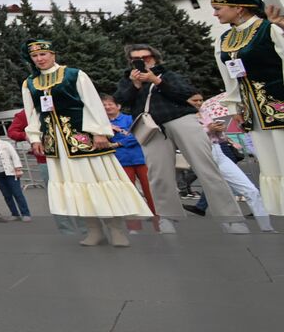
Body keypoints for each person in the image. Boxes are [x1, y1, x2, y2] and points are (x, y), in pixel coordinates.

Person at [23, 40, 150, 247]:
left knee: (99, 182)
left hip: (84, 138)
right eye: (35, 56)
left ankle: (116, 230)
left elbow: (92, 102)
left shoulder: (73, 74)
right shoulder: (29, 83)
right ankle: (94, 230)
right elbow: (32, 112)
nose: (40, 59)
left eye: (43, 54)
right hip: (57, 144)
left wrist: (100, 132)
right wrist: (35, 138)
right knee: (76, 187)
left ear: (53, 54)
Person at [113, 43, 248, 234]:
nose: (142, 62)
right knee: (159, 175)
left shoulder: (167, 74)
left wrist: (156, 81)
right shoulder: (128, 80)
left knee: (206, 168)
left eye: (147, 58)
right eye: (136, 60)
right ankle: (168, 217)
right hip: (152, 128)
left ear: (155, 58)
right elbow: (122, 100)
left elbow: (187, 94)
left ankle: (231, 218)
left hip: (182, 120)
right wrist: (135, 85)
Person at [211, 0, 284, 216]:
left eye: (218, 8)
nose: (215, 14)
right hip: (253, 110)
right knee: (270, 160)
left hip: (278, 103)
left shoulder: (268, 29)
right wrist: (235, 106)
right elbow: (229, 75)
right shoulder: (223, 39)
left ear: (239, 7)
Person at [185, 92, 274, 231]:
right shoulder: (182, 117)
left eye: (201, 100)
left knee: (250, 190)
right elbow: (188, 138)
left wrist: (220, 131)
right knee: (218, 194)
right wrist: (208, 129)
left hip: (217, 151)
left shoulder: (205, 112)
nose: (198, 103)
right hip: (201, 155)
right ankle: (229, 226)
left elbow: (220, 139)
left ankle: (266, 226)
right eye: (194, 100)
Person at [105, 95, 154, 232]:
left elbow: (138, 134)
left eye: (110, 104)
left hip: (140, 158)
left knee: (150, 191)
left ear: (118, 106)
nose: (107, 107)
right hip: (121, 161)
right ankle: (134, 227)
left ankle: (160, 222)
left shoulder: (129, 118)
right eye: (104, 105)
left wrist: (118, 143)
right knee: (129, 194)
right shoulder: (102, 123)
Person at [0, 130, 31, 220]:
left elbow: (14, 156)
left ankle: (25, 214)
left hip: (10, 172)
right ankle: (15, 214)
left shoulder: (5, 144)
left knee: (17, 193)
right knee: (6, 195)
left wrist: (18, 168)